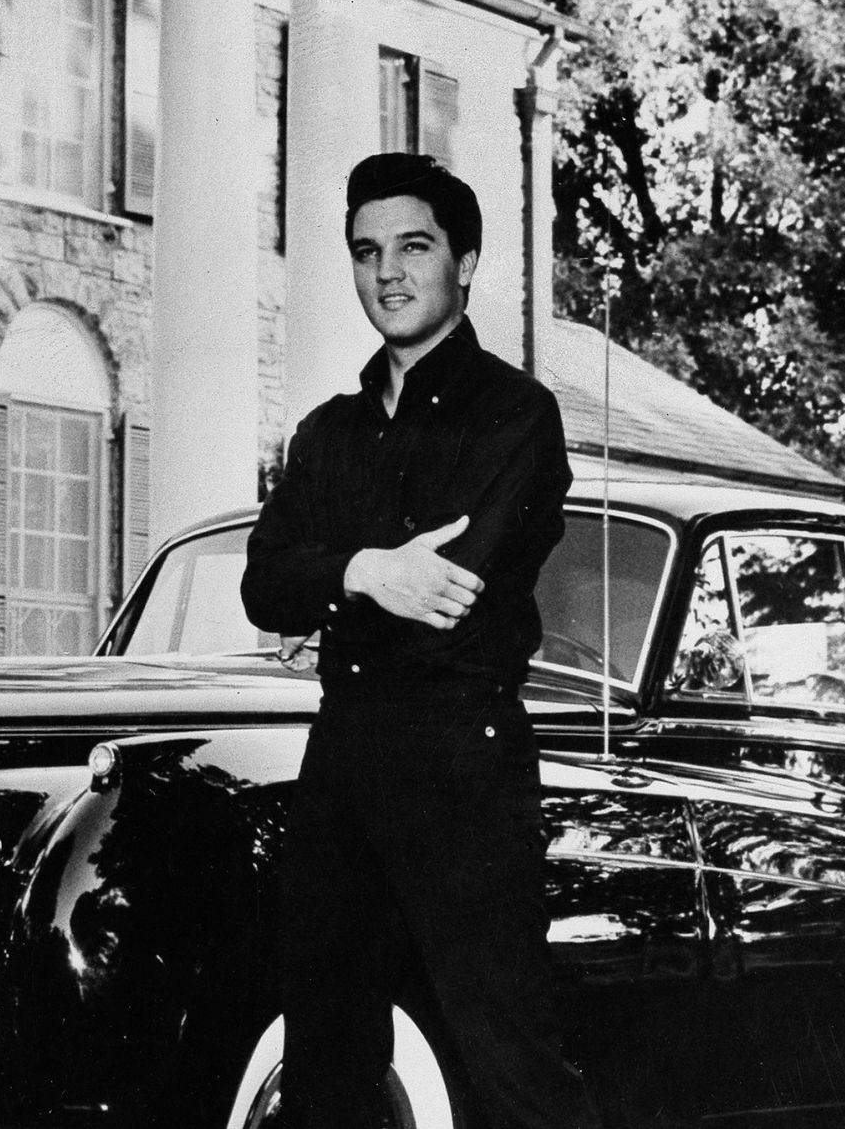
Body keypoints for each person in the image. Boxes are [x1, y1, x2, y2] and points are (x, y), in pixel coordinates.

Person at [241, 153, 599, 1129]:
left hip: (461, 760)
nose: (385, 271)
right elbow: (263, 585)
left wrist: (331, 569)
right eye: (364, 251)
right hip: (340, 759)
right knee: (325, 1059)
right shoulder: (326, 433)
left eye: (412, 245)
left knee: (505, 1056)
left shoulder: (514, 414)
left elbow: (453, 586)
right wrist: (365, 570)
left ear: (465, 258)